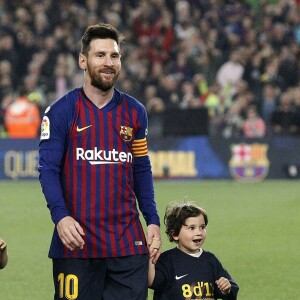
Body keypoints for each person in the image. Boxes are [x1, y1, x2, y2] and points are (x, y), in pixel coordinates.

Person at [38, 23, 161, 300]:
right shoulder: (60, 112)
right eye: (100, 55)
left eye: (114, 56)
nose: (108, 63)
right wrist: (61, 217)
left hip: (128, 246)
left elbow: (141, 168)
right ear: (83, 60)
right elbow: (48, 170)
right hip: (76, 244)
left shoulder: (136, 112)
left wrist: (152, 220)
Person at [148, 202, 239, 299]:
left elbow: (230, 290)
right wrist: (150, 256)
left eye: (202, 227)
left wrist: (226, 288)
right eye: (192, 228)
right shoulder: (167, 260)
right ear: (175, 234)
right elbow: (151, 282)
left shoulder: (210, 260)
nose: (199, 232)